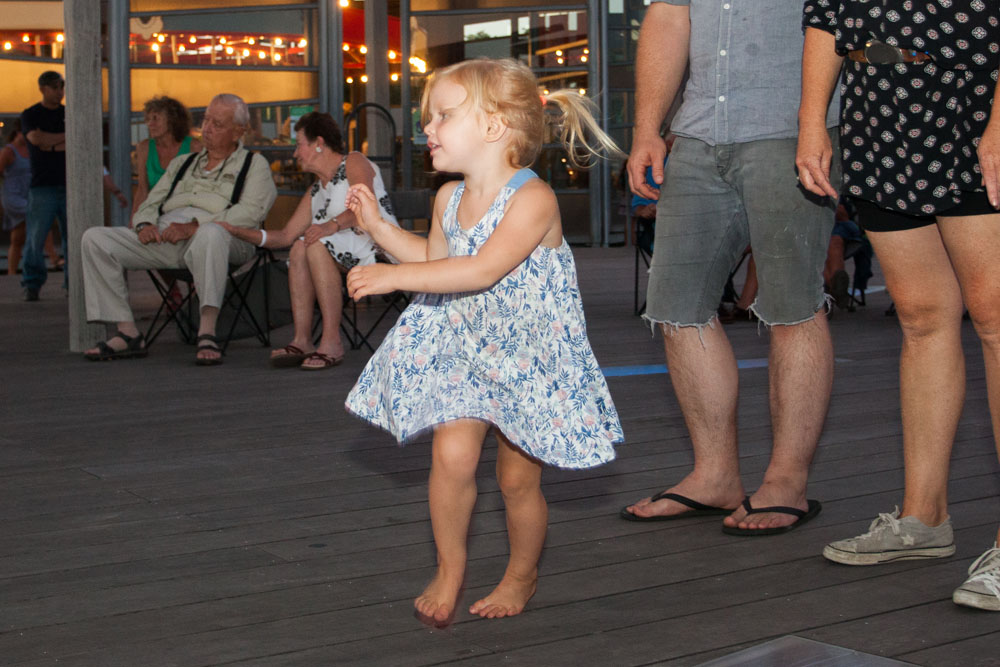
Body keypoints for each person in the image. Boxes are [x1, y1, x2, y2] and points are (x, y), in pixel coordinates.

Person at [343, 58, 624, 625]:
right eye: (429, 118)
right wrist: (378, 230)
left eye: (443, 116)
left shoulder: (533, 200)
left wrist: (393, 278)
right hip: (464, 348)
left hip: (526, 357)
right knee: (451, 459)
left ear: (495, 126)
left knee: (517, 480)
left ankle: (521, 574)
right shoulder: (448, 197)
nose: (428, 128)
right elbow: (438, 262)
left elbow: (481, 269)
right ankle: (450, 568)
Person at [799, 0, 1000, 612]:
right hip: (880, 112)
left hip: (977, 102)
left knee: (995, 319)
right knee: (921, 318)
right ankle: (924, 517)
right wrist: (812, 121)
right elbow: (826, 15)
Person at [619, 0, 840, 535]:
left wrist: (813, 123)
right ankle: (714, 475)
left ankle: (786, 481)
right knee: (676, 306)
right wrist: (648, 128)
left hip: (788, 129)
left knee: (792, 306)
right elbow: (668, 17)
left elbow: (831, 20)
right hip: (697, 133)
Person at [80, 94, 277, 365]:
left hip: (227, 239)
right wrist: (145, 224)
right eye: (206, 120)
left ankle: (207, 330)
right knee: (95, 239)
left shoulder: (254, 165)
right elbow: (151, 202)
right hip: (169, 236)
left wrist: (195, 226)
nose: (207, 129)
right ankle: (127, 333)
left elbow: (251, 213)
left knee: (211, 234)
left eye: (217, 124)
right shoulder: (184, 162)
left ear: (238, 132)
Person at [218, 111, 398, 370]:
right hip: (338, 254)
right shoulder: (315, 191)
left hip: (378, 249)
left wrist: (329, 226)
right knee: (299, 246)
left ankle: (332, 341)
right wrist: (235, 230)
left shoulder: (354, 161)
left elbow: (365, 206)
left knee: (313, 243)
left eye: (299, 144)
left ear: (319, 143)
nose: (295, 153)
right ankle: (302, 340)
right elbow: (284, 236)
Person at [20, 70, 67, 301]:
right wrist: (63, 138)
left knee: (73, 237)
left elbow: (76, 139)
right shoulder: (31, 114)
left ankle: (73, 283)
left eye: (61, 87)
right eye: (54, 87)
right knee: (35, 238)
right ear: (42, 89)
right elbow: (36, 139)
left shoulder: (68, 113)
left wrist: (50, 143)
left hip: (68, 184)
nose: (59, 92)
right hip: (42, 185)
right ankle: (32, 283)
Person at [132, 96, 202, 216]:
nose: (150, 124)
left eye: (155, 118)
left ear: (172, 121)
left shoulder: (194, 147)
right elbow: (142, 189)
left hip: (185, 213)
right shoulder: (144, 147)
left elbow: (200, 188)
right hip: (154, 213)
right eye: (147, 119)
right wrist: (134, 219)